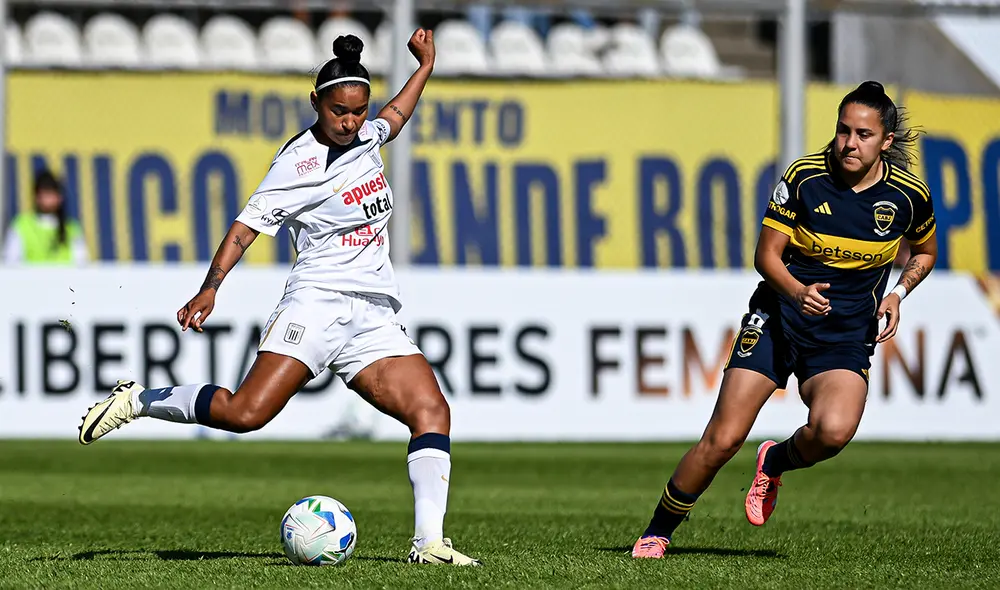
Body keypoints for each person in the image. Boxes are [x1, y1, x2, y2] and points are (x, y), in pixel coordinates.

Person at [77, 31, 481, 567]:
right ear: (316, 102)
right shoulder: (299, 162)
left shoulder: (365, 137)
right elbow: (245, 228)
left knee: (432, 410)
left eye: (359, 113)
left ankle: (428, 543)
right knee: (246, 414)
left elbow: (397, 115)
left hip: (372, 313)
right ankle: (138, 401)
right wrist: (211, 286)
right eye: (340, 112)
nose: (351, 123)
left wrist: (425, 66)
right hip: (315, 304)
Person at [631, 81, 938, 558]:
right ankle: (657, 531)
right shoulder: (804, 178)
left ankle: (774, 460)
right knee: (723, 438)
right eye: (842, 131)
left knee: (833, 432)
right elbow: (765, 256)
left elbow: (925, 251)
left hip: (842, 334)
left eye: (862, 134)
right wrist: (797, 292)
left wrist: (898, 293)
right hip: (777, 317)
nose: (849, 143)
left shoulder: (908, 197)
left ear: (886, 142)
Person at [3, 169, 88, 265]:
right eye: (44, 194)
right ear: (36, 197)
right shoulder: (21, 225)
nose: (48, 199)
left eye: (51, 194)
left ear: (60, 198)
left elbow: (81, 264)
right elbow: (10, 263)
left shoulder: (72, 228)